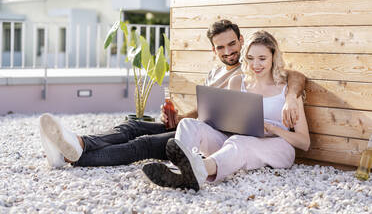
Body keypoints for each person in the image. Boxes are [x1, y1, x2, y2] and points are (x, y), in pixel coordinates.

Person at [38, 20, 305, 168]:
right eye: (221, 47)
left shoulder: (250, 73)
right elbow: (206, 110)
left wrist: (292, 97)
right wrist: (178, 117)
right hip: (197, 126)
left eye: (233, 44)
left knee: (141, 144)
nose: (228, 51)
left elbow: (294, 75)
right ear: (214, 50)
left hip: (211, 135)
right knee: (131, 125)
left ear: (241, 41)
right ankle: (78, 143)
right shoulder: (216, 73)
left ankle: (76, 153)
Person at [142, 30, 310, 192]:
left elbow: (304, 143)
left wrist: (273, 129)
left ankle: (198, 171)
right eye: (250, 58)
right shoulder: (238, 82)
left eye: (262, 58)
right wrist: (216, 119)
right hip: (236, 142)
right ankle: (178, 171)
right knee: (188, 124)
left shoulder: (287, 91)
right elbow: (229, 124)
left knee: (240, 142)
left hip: (277, 147)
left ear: (274, 57)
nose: (255, 65)